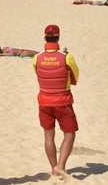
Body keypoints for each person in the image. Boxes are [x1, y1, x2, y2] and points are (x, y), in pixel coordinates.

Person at [33, 25, 79, 180]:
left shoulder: (37, 57)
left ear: (45, 38)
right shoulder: (66, 57)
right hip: (62, 100)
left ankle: (54, 168)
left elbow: (37, 74)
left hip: (44, 100)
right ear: (58, 38)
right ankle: (61, 166)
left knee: (48, 136)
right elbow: (75, 79)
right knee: (69, 134)